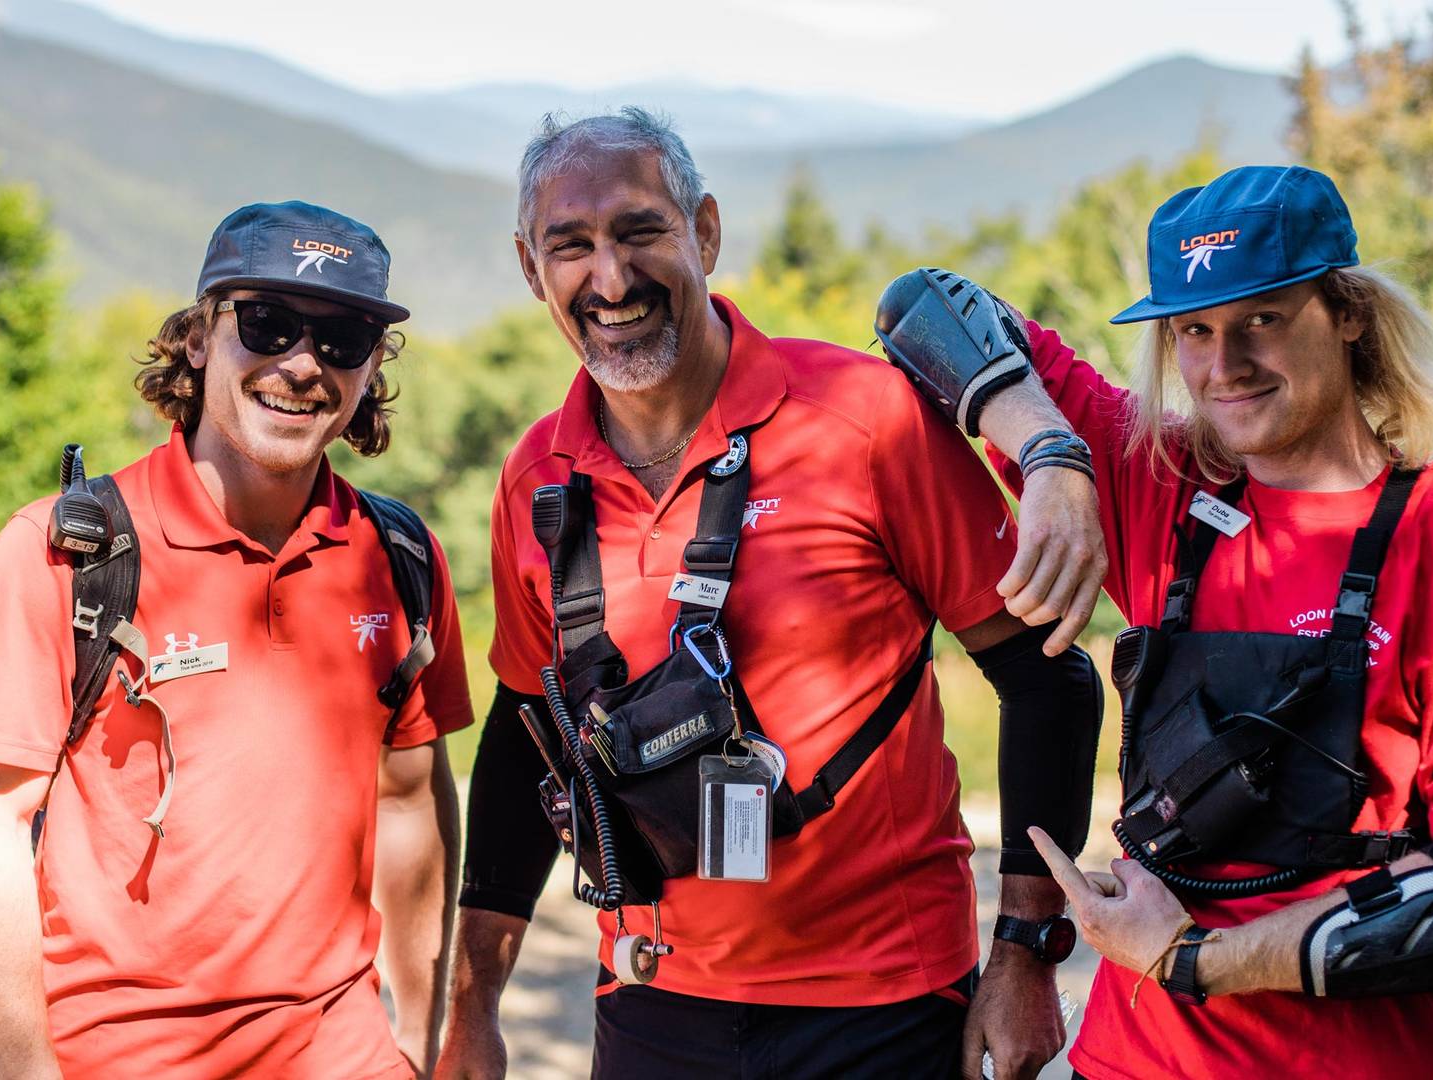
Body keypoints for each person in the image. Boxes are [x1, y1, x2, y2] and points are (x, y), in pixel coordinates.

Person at [434, 109, 1107, 1080]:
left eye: (640, 232)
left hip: (886, 1004)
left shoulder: (864, 419)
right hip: (651, 998)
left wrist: (1026, 953)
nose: (610, 279)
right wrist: (472, 1007)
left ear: (703, 231)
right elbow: (522, 734)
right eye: (569, 247)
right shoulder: (536, 478)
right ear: (529, 268)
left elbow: (1048, 682)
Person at [931, 165, 1433, 1078]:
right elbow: (928, 309)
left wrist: (1192, 959)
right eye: (1194, 330)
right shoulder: (1156, 483)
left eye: (1261, 321)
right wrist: (1051, 455)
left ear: (1350, 312)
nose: (1223, 366)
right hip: (1128, 1063)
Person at [0, 201, 473, 1078]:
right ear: (198, 337)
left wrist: (419, 1034)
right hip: (122, 1058)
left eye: (342, 340)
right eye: (266, 324)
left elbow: (410, 799)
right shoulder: (70, 551)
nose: (302, 366)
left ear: (373, 368)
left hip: (345, 1053)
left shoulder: (399, 556)